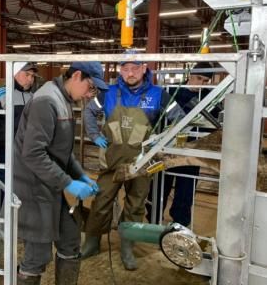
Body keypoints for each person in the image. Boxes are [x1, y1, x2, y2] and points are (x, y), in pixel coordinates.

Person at [81, 57, 185, 271]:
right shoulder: (108, 92)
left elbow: (180, 118)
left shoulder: (158, 94)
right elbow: (89, 111)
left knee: (135, 205)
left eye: (135, 68)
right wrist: (93, 134)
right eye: (125, 68)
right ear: (120, 70)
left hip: (141, 161)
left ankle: (127, 247)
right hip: (112, 160)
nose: (130, 73)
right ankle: (92, 242)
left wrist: (164, 140)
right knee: (102, 200)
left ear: (144, 69)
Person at [14, 62, 107, 285]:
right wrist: (69, 183)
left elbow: (62, 150)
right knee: (37, 254)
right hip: (34, 187)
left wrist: (80, 175)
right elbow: (34, 154)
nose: (89, 94)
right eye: (90, 87)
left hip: (55, 186)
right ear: (76, 76)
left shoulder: (65, 100)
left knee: (70, 242)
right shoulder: (47, 101)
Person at [146, 62, 219, 226]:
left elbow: (214, 123)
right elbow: (156, 117)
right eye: (199, 78)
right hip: (167, 149)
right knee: (159, 185)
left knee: (186, 190)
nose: (200, 84)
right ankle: (153, 219)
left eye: (205, 81)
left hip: (191, 152)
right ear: (190, 75)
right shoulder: (171, 91)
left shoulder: (209, 97)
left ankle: (180, 223)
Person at [0, 62, 38, 256]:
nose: (31, 79)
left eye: (32, 76)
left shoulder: (33, 96)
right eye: (27, 74)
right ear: (16, 73)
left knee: (27, 193)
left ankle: (24, 231)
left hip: (28, 154)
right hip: (6, 153)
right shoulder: (1, 94)